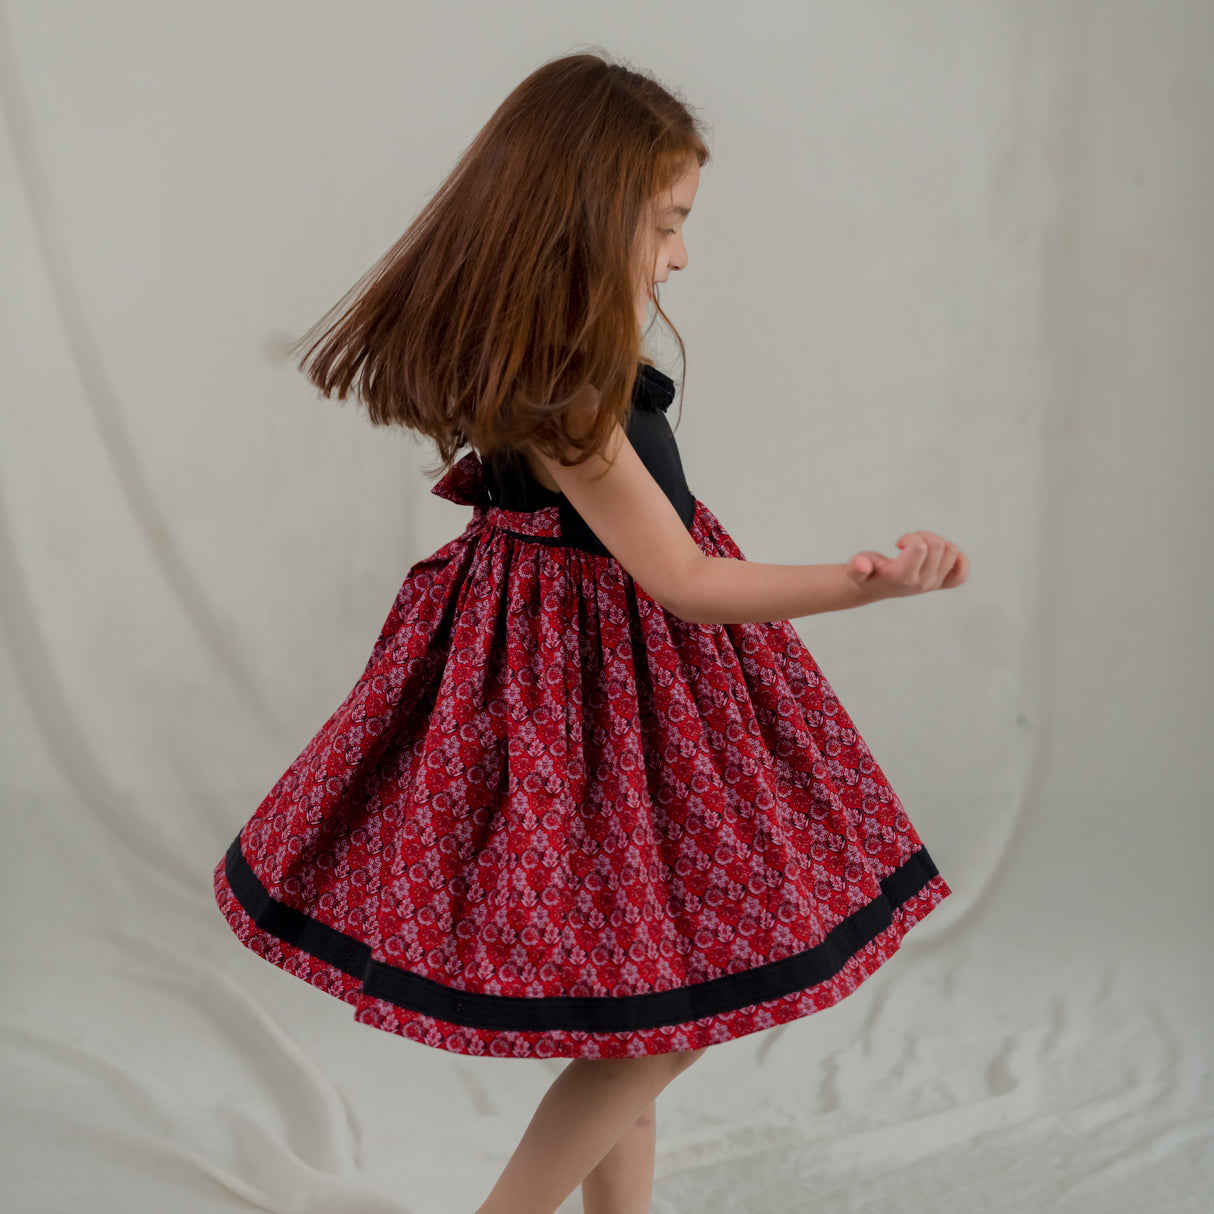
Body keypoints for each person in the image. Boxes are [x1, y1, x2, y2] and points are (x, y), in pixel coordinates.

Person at [212, 48, 969, 1214]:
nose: (679, 254)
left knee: (645, 994)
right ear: (586, 215)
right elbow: (683, 581)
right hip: (598, 700)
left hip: (612, 680)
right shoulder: (569, 397)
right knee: (662, 1015)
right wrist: (863, 583)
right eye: (664, 223)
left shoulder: (562, 370)